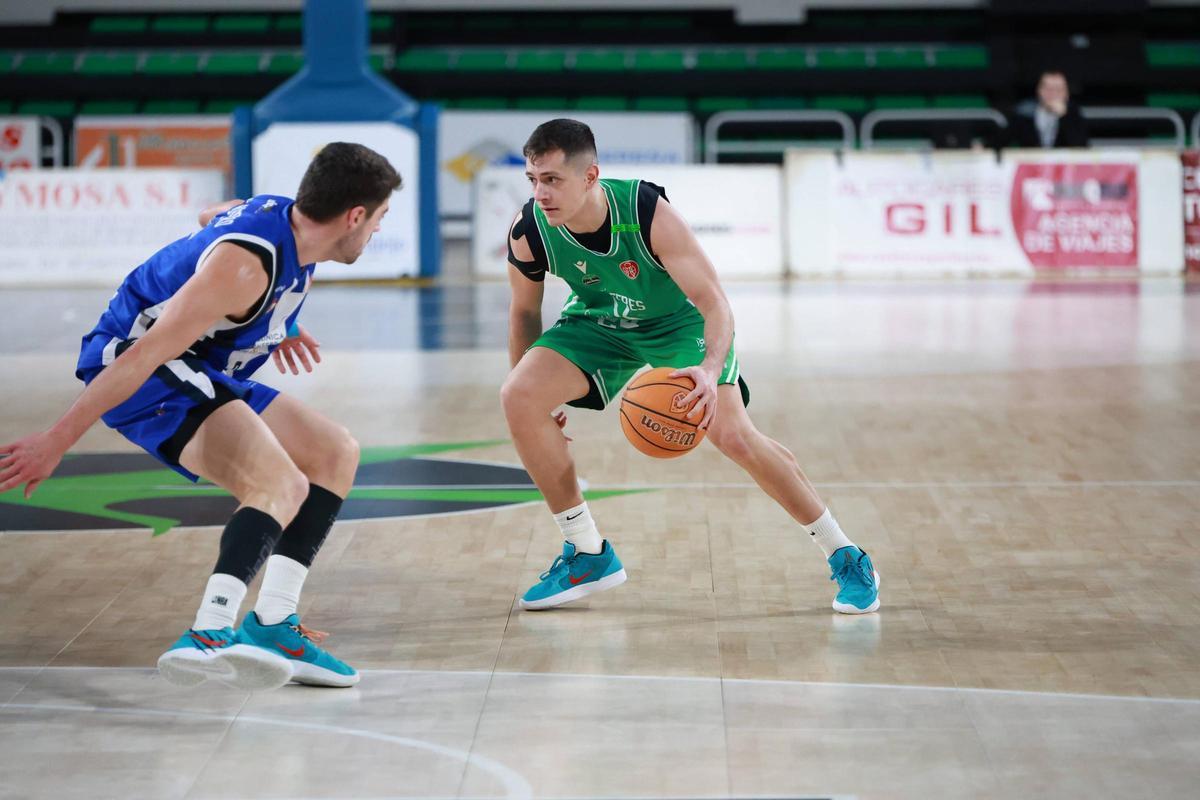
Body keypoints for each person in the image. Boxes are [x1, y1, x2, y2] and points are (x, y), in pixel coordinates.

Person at [0, 143, 401, 689]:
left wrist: (272, 322)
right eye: (379, 218)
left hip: (196, 364)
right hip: (138, 365)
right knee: (278, 484)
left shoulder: (283, 215)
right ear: (355, 215)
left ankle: (274, 622)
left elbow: (211, 217)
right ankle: (209, 630)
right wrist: (56, 439)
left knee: (334, 452)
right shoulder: (243, 270)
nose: (378, 229)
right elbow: (146, 354)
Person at [501, 119, 879, 615]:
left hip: (680, 324)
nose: (540, 193)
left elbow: (714, 303)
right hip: (600, 320)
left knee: (734, 436)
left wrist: (708, 367)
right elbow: (525, 312)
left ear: (590, 176)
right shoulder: (530, 231)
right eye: (533, 179)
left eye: (553, 180)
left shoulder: (643, 210)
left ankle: (845, 554)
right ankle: (587, 551)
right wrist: (537, 398)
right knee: (517, 396)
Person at [1007, 70, 1089, 148]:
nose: (1053, 93)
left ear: (1066, 93)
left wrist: (1064, 117)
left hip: (1062, 161)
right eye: (1048, 89)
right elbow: (1006, 144)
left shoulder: (1074, 115)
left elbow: (1080, 147)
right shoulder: (1023, 114)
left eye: (1058, 89)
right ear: (1039, 90)